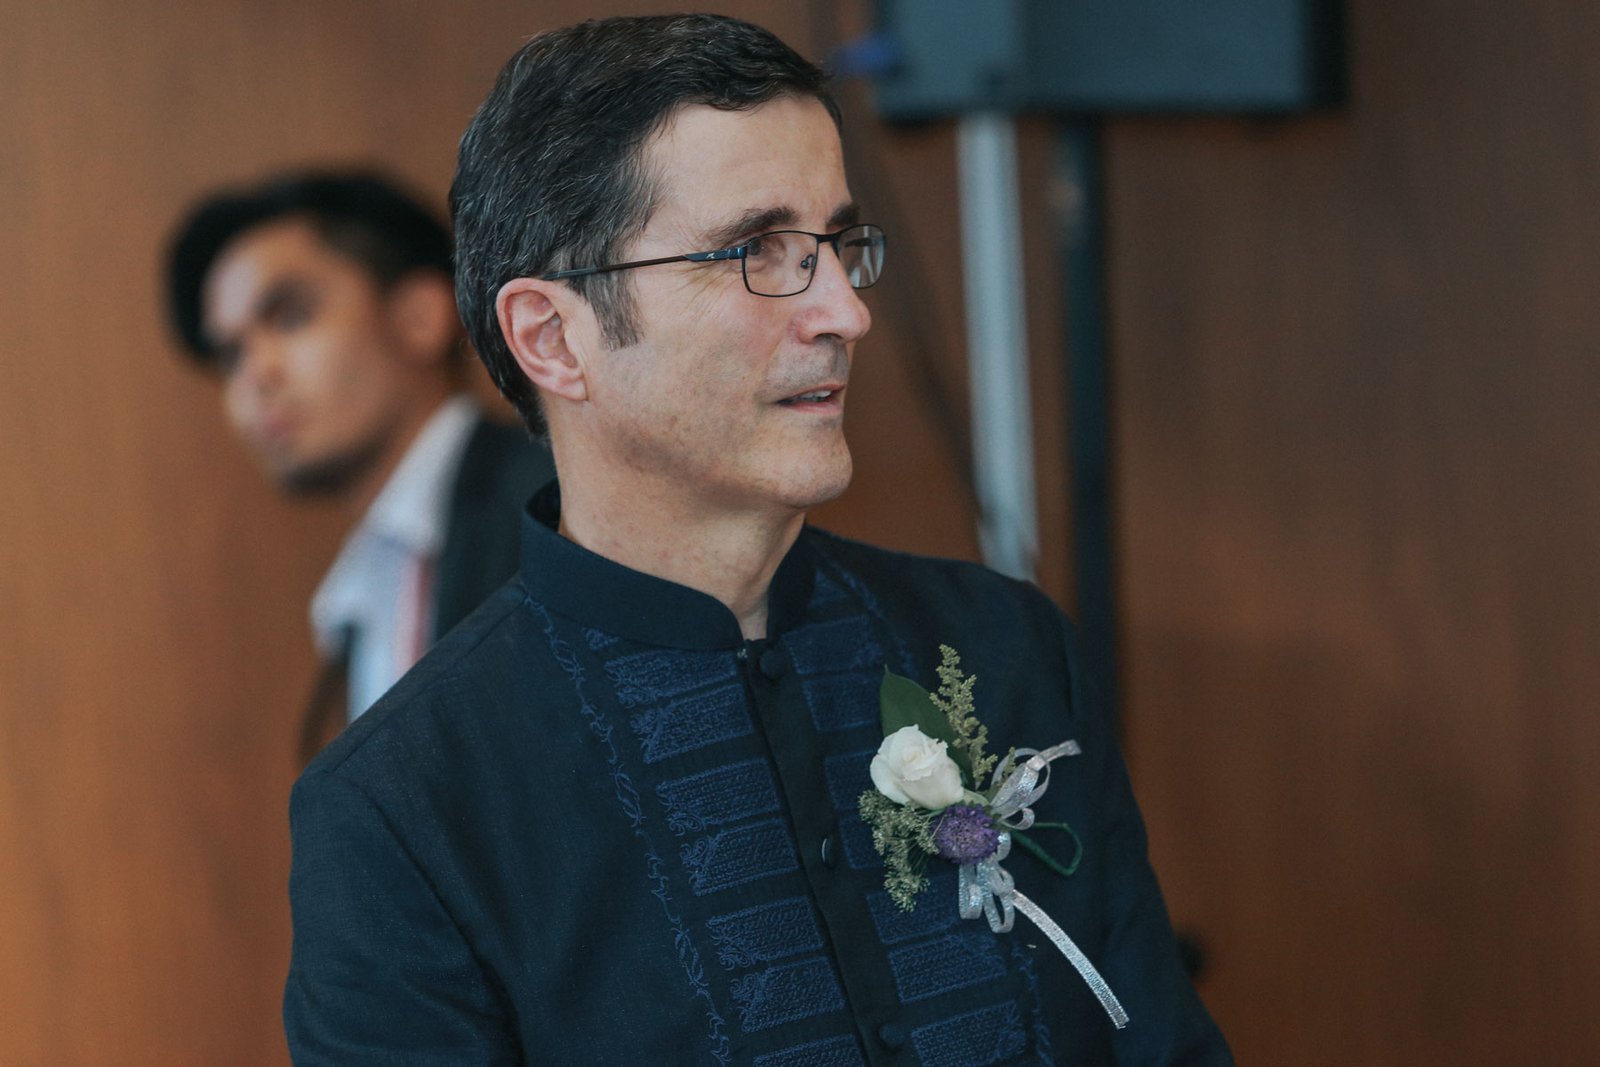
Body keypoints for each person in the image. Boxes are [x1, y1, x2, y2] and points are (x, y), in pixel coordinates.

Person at [284, 15, 1231, 1065]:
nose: (844, 313)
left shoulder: (1001, 645)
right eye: (756, 252)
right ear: (553, 338)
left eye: (836, 246)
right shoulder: (405, 808)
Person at [165, 171, 555, 754]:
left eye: (290, 317)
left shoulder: (554, 504)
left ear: (419, 316)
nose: (254, 376)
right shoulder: (358, 599)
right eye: (231, 355)